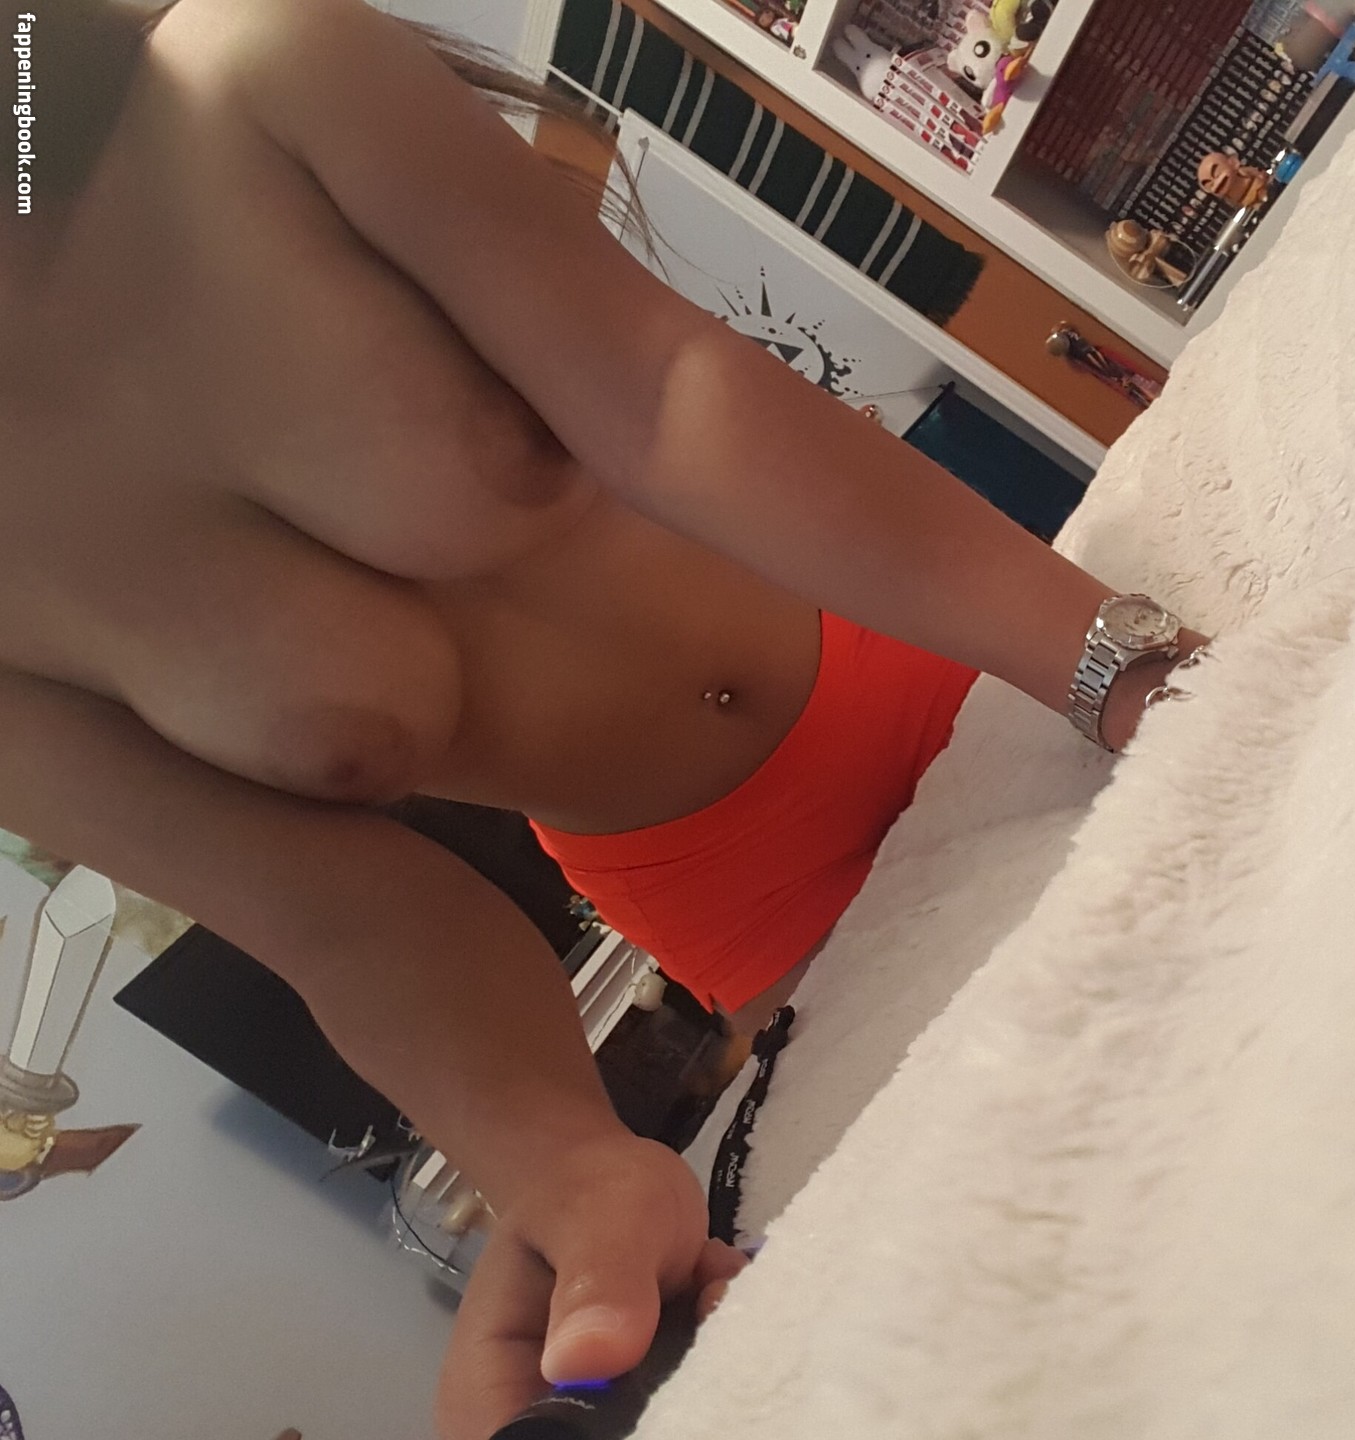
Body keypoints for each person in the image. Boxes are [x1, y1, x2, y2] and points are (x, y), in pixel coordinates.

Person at [0, 1, 1203, 1435]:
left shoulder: (249, 64)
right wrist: (565, 1163)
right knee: (1142, 1216)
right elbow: (338, 919)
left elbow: (667, 386)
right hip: (736, 904)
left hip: (941, 638)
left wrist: (1107, 663)